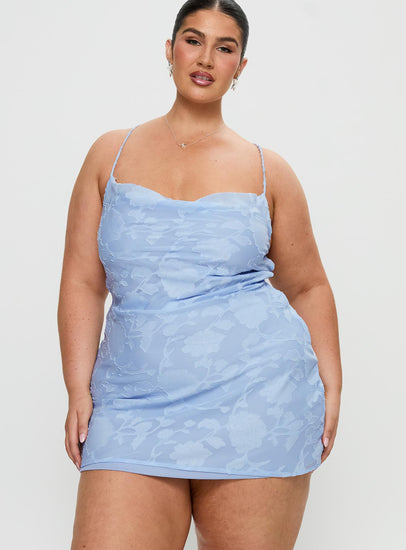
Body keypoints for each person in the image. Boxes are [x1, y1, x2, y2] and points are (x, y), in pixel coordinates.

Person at [58, 0, 342, 548]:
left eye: (225, 47)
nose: (206, 57)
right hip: (131, 403)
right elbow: (83, 281)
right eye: (193, 40)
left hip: (258, 401)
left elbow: (308, 285)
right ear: (169, 50)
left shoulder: (269, 170)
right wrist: (77, 388)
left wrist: (332, 385)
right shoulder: (109, 155)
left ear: (240, 66)